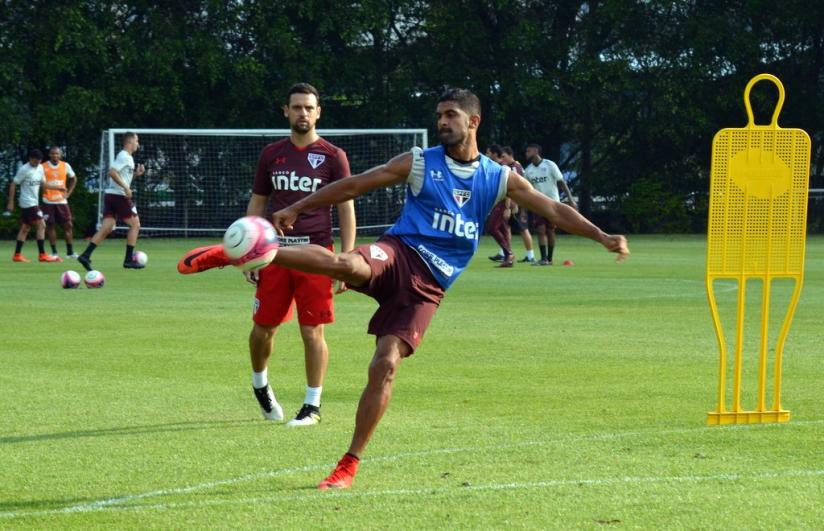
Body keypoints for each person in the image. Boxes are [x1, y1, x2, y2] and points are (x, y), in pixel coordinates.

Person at [241, 87, 628, 490]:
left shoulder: (498, 177)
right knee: (346, 263)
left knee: (385, 365)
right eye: (439, 115)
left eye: (450, 115)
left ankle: (348, 465)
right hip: (398, 253)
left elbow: (554, 210)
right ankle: (258, 252)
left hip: (429, 286)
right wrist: (297, 207)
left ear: (473, 122)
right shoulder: (419, 162)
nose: (442, 122)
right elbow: (355, 185)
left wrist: (602, 236)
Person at [178, 83, 356, 427]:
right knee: (263, 329)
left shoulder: (334, 156)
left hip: (317, 254)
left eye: (309, 107)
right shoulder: (271, 154)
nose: (303, 113)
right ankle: (260, 383)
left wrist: (346, 259)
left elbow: (346, 208)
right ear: (286, 111)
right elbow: (258, 202)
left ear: (318, 112)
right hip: (274, 255)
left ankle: (312, 406)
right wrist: (247, 253)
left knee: (312, 331)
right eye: (297, 107)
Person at [78, 132, 145, 271]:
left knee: (107, 227)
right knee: (135, 225)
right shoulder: (124, 156)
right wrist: (126, 187)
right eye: (136, 141)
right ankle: (128, 260)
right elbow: (112, 172)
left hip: (111, 195)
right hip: (119, 196)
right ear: (130, 141)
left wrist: (135, 174)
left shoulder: (128, 157)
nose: (138, 144)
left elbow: (121, 176)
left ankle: (85, 255)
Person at [5, 149, 64, 263]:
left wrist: (58, 188)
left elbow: (43, 184)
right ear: (30, 159)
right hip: (28, 202)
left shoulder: (40, 168)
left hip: (34, 202)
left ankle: (17, 255)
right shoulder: (24, 169)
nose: (36, 163)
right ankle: (42, 255)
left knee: (25, 228)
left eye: (39, 161)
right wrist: (10, 202)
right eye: (34, 161)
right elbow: (13, 184)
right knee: (42, 225)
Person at [523, 143, 577, 265]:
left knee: (550, 230)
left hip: (553, 203)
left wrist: (571, 199)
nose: (526, 154)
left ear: (536, 151)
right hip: (538, 204)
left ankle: (550, 258)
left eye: (528, 151)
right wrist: (523, 209)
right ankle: (543, 259)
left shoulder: (550, 165)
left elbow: (561, 182)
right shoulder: (528, 170)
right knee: (540, 230)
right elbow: (526, 191)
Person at [489, 145, 536, 263]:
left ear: (511, 155)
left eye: (504, 156)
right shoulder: (510, 167)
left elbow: (514, 188)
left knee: (523, 229)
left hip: (516, 203)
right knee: (506, 228)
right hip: (510, 202)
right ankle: (505, 252)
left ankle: (530, 255)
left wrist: (512, 205)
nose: (502, 159)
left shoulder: (514, 167)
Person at [41, 147, 79, 259]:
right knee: (50, 226)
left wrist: (69, 193)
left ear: (60, 155)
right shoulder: (42, 167)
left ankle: (70, 252)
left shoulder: (65, 165)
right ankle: (54, 252)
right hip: (48, 200)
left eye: (57, 154)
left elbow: (74, 178)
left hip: (62, 201)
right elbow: (41, 183)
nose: (55, 156)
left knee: (68, 225)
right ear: (49, 155)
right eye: (53, 154)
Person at [483, 144, 514, 267]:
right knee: (503, 229)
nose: (486, 155)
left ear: (495, 154)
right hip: (497, 203)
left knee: (492, 228)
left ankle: (509, 254)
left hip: (502, 204)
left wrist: (507, 207)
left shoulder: (503, 168)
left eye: (488, 153)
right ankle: (508, 258)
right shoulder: (493, 167)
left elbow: (508, 189)